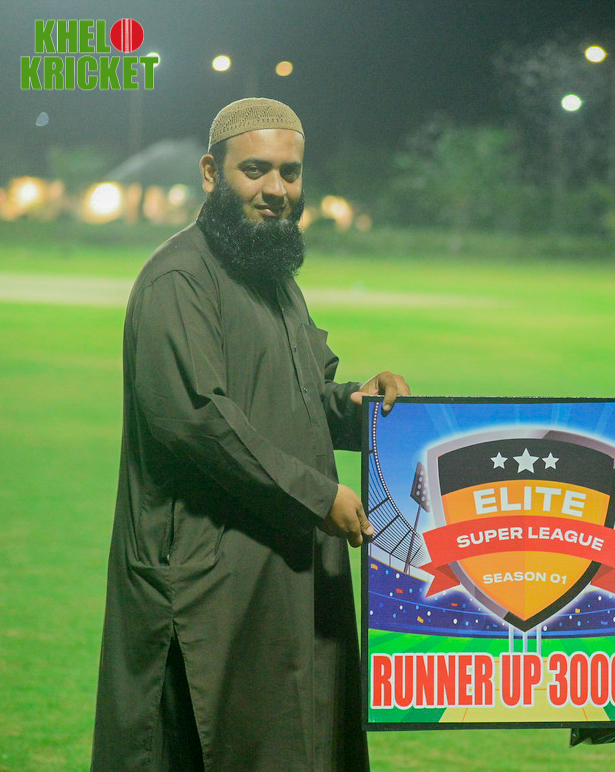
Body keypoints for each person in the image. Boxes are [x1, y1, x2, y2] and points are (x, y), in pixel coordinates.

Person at [91, 98, 410, 772]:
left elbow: (304, 398)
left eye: (290, 173)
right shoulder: (180, 278)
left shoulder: (273, 278)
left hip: (285, 566)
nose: (276, 189)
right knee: (216, 746)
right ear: (212, 172)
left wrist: (367, 408)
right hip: (208, 580)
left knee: (299, 744)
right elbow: (198, 420)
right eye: (256, 170)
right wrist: (318, 496)